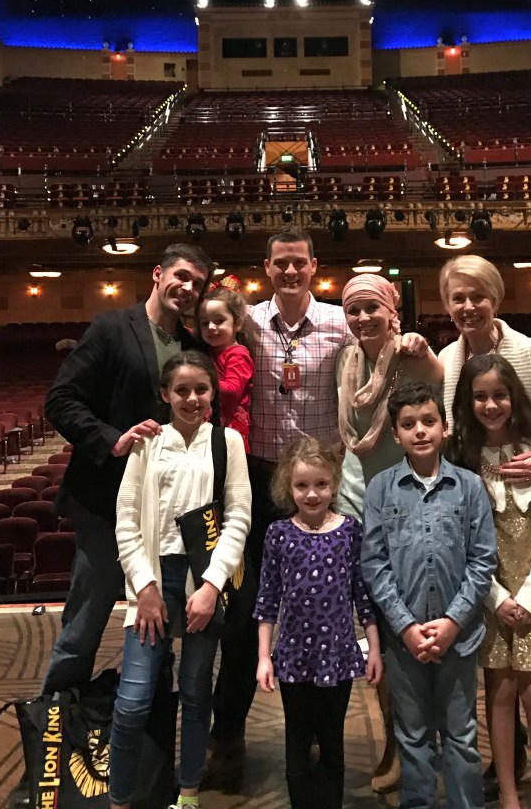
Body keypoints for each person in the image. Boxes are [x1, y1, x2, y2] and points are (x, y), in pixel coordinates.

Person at [437, 255, 531, 809]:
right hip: (486, 533)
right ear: (447, 305)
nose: (468, 306)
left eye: (477, 296)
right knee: (499, 672)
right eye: (457, 297)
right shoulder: (447, 362)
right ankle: (512, 757)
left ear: (496, 299)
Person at [205, 225, 352, 790]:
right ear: (267, 268)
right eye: (280, 263)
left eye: (299, 262)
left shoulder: (339, 322)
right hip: (260, 481)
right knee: (244, 620)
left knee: (323, 612)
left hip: (320, 485)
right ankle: (226, 738)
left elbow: (382, 354)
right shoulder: (248, 322)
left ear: (314, 265)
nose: (290, 271)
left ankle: (316, 734)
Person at [41, 242, 212, 696]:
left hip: (167, 510)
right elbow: (60, 400)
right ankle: (55, 721)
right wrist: (111, 439)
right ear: (158, 274)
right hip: (105, 501)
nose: (187, 287)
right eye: (180, 276)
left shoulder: (192, 348)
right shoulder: (111, 327)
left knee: (159, 625)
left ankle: (149, 723)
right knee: (86, 622)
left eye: (197, 283)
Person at [110, 351, 251, 809]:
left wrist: (211, 586)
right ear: (165, 394)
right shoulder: (147, 442)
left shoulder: (227, 442)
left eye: (201, 390)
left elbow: (238, 518)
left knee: (195, 693)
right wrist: (144, 588)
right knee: (132, 701)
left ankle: (188, 794)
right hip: (153, 580)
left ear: (213, 393)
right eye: (182, 390)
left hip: (202, 581)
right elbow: (126, 520)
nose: (192, 399)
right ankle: (119, 799)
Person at [361, 380, 497, 809]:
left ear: (444, 427)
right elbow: (374, 564)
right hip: (404, 642)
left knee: (461, 734)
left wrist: (453, 621)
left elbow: (482, 560)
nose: (420, 431)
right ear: (395, 433)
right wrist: (405, 627)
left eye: (428, 421)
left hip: (459, 638)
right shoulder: (380, 489)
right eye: (408, 424)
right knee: (412, 735)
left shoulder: (469, 487)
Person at [335, 271, 443, 792]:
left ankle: (428, 738)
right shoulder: (346, 361)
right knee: (380, 630)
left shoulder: (413, 355)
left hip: (410, 508)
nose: (362, 318)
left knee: (417, 629)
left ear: (391, 309)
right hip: (358, 504)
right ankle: (398, 743)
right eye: (353, 310)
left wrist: (422, 348)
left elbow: (439, 397)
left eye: (371, 308)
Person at [254, 438, 382, 809]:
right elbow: (267, 600)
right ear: (288, 487)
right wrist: (264, 657)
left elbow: (362, 595)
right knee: (296, 742)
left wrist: (374, 648)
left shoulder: (349, 531)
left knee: (331, 742)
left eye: (321, 484)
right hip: (293, 657)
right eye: (302, 485)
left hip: (337, 657)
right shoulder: (279, 534)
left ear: (335, 484)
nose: (312, 494)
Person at [198, 283, 255, 451]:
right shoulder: (209, 351)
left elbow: (232, 390)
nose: (211, 327)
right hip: (211, 424)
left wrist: (200, 382)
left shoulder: (238, 354)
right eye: (204, 323)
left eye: (219, 321)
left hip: (230, 429)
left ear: (237, 323)